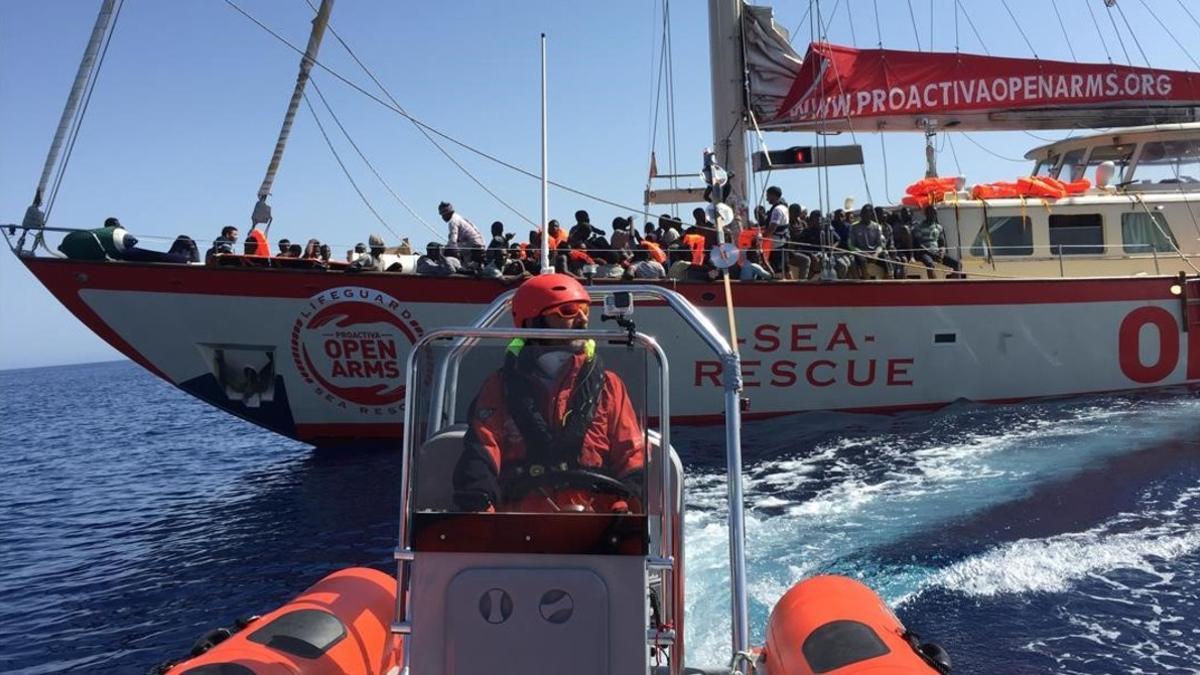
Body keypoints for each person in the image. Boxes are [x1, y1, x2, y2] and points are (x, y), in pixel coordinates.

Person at [452, 274, 645, 512]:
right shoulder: (500, 385)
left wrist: (626, 505)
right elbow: (482, 450)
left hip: (599, 523)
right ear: (533, 321)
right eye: (568, 311)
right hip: (519, 525)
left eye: (584, 309)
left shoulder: (609, 385)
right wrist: (479, 507)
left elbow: (631, 454)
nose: (582, 318)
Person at [913, 208, 963, 278]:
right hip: (924, 253)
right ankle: (935, 286)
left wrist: (942, 252)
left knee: (958, 265)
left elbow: (942, 243)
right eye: (931, 213)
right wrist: (932, 254)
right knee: (930, 264)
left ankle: (952, 286)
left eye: (934, 213)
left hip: (936, 253)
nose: (933, 215)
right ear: (926, 214)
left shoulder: (939, 227)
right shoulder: (918, 226)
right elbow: (918, 244)